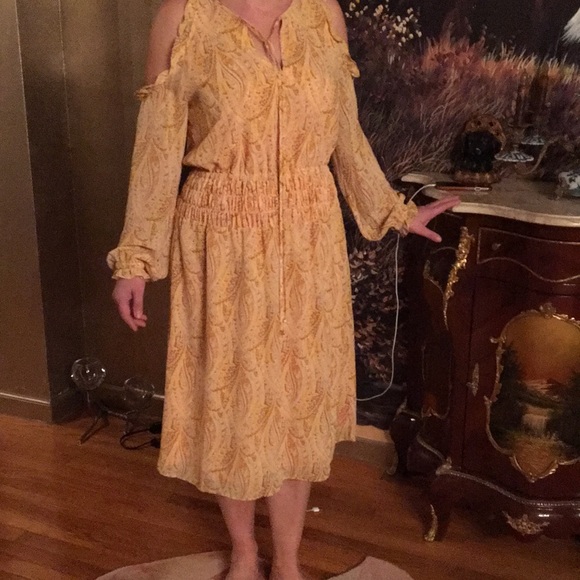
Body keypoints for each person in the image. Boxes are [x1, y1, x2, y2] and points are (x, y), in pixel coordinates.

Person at [108, 0, 459, 578]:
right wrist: (136, 260)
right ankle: (245, 552)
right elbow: (156, 148)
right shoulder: (183, 16)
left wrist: (394, 210)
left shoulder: (323, 15)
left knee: (296, 402)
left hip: (308, 235)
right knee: (233, 401)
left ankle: (289, 560)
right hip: (222, 233)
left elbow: (345, 134)